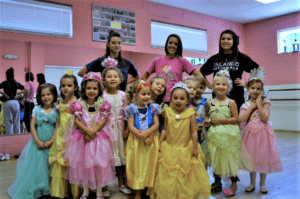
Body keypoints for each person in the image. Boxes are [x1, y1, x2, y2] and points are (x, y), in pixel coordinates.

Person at [153, 82, 211, 199]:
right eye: (175, 98)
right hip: (169, 148)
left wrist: (194, 148)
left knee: (187, 174)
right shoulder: (168, 113)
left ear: (187, 100)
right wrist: (159, 143)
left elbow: (194, 132)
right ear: (171, 99)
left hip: (186, 148)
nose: (178, 101)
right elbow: (164, 130)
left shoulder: (191, 114)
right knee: (169, 175)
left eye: (182, 98)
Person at [63, 72, 115, 199]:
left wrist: (94, 131)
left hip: (99, 138)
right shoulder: (78, 104)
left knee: (100, 166)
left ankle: (99, 191)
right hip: (82, 138)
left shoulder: (104, 104)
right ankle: (85, 191)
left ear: (99, 90)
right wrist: (87, 131)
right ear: (83, 89)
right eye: (88, 88)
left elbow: (103, 119)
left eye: (95, 88)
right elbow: (76, 121)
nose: (91, 91)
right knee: (84, 165)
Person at [7, 83, 59, 199]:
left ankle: (50, 189)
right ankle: (39, 189)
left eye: (49, 94)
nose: (46, 97)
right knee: (38, 167)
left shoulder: (57, 110)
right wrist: (37, 141)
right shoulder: (37, 109)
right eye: (43, 95)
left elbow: (57, 127)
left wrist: (51, 141)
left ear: (54, 95)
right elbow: (32, 126)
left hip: (51, 143)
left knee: (49, 166)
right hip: (37, 144)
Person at [239, 68, 282, 194]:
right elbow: (242, 119)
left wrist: (259, 104)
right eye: (252, 88)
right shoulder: (245, 105)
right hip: (250, 136)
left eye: (258, 89)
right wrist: (252, 106)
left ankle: (262, 184)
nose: (255, 91)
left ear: (262, 90)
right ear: (248, 89)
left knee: (263, 158)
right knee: (251, 159)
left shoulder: (266, 103)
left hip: (263, 135)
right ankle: (252, 183)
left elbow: (264, 118)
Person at [203, 69, 241, 197]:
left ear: (228, 87)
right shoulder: (209, 102)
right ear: (213, 86)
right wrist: (207, 120)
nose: (220, 87)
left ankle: (234, 184)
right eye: (217, 84)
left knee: (229, 160)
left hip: (228, 136)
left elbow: (236, 119)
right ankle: (217, 182)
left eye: (223, 84)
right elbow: (207, 117)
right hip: (214, 136)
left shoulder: (231, 102)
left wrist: (221, 120)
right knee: (215, 159)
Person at [200, 29, 259, 111]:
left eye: (229, 39)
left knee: (235, 122)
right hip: (218, 98)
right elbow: (201, 72)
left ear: (234, 41)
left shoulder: (241, 57)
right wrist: (209, 85)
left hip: (236, 98)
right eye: (223, 39)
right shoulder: (214, 58)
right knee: (218, 121)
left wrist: (247, 84)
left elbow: (260, 72)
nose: (225, 41)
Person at [141, 34, 205, 104]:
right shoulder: (156, 61)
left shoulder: (182, 61)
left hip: (175, 100)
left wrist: (190, 86)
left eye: (176, 44)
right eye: (170, 42)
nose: (172, 45)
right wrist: (150, 88)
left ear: (178, 47)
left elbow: (199, 76)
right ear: (166, 44)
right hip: (158, 99)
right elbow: (143, 77)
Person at [124, 80, 160, 199]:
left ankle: (150, 190)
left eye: (148, 94)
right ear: (135, 95)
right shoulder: (131, 109)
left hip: (150, 139)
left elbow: (156, 124)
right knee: (138, 166)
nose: (146, 97)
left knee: (150, 165)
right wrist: (142, 136)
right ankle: (138, 192)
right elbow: (130, 126)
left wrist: (147, 134)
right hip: (136, 141)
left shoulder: (153, 108)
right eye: (143, 94)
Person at [101, 59, 132, 196]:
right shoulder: (101, 96)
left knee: (121, 158)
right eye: (109, 76)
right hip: (106, 131)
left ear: (120, 80)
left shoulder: (124, 95)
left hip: (120, 131)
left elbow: (127, 114)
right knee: (107, 159)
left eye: (115, 76)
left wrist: (126, 130)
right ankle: (105, 186)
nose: (112, 79)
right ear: (103, 80)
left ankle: (121, 183)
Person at [48, 70, 80, 199]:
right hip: (60, 137)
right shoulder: (59, 102)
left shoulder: (77, 103)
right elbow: (57, 122)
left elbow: (79, 122)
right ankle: (64, 191)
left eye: (69, 85)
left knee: (71, 166)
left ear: (75, 87)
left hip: (73, 138)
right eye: (63, 85)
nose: (65, 88)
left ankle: (74, 192)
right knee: (61, 166)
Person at [0, 67, 27, 135]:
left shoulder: (4, 83)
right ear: (13, 75)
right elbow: (26, 89)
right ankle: (17, 139)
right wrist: (20, 96)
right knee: (16, 122)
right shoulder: (16, 83)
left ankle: (9, 138)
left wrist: (4, 94)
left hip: (7, 102)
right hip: (15, 102)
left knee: (8, 122)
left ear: (6, 75)